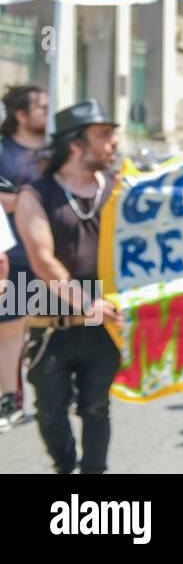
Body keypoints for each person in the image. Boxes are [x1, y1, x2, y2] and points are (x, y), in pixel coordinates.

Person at [17, 99, 124, 473]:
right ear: (76, 144)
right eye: (104, 135)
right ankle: (64, 466)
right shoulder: (36, 195)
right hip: (52, 328)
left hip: (103, 327)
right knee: (51, 411)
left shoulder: (118, 190)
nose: (113, 142)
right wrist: (85, 304)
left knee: (97, 407)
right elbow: (43, 260)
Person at [0, 84, 47, 431]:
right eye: (41, 108)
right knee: (10, 329)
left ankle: (63, 390)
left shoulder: (57, 151)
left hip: (58, 259)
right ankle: (10, 400)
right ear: (21, 115)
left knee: (64, 325)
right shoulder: (3, 152)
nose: (47, 113)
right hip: (14, 257)